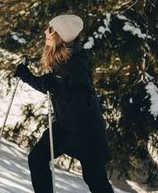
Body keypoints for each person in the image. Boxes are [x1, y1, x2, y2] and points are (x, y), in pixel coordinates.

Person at [14, 14, 114, 193]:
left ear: (61, 35)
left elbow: (86, 101)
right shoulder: (60, 57)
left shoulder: (76, 63)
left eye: (51, 29)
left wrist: (60, 90)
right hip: (65, 128)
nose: (46, 31)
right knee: (37, 159)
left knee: (96, 181)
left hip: (87, 133)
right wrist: (27, 76)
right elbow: (51, 86)